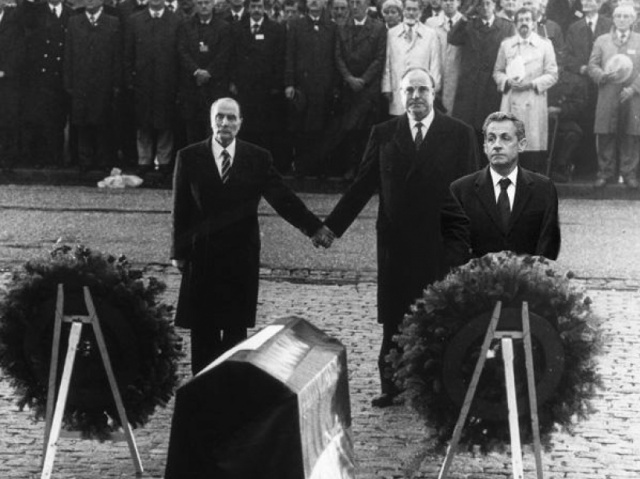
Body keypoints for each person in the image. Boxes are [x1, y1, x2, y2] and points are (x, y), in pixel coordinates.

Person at [316, 68, 477, 408]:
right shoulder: (384, 133)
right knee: (394, 315)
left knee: (441, 314)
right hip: (396, 242)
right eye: (409, 90)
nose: (416, 96)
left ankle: (441, 389)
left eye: (422, 89)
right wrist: (331, 227)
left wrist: (466, 243)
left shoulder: (459, 134)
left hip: (440, 242)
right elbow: (362, 185)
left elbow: (470, 194)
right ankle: (392, 385)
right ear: (400, 95)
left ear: (434, 92)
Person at [171, 98, 325, 375]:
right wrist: (177, 252)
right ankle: (203, 389)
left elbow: (283, 199)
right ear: (211, 120)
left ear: (240, 123)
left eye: (231, 118)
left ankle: (233, 388)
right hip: (202, 255)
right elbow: (180, 208)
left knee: (235, 331)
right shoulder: (189, 157)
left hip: (239, 254)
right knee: (203, 330)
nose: (225, 123)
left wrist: (314, 228)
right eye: (219, 117)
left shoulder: (257, 158)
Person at [450, 111, 561, 260]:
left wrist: (528, 271)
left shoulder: (543, 189)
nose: (497, 145)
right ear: (485, 147)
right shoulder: (461, 190)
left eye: (505, 138)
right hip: (477, 274)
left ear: (521, 145)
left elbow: (548, 244)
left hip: (529, 273)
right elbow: (456, 246)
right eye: (491, 139)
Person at [494, 7, 558, 172]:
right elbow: (497, 72)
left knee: (531, 149)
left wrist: (532, 84)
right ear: (515, 24)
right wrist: (507, 81)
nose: (524, 23)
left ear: (534, 23)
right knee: (510, 146)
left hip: (533, 103)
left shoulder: (544, 45)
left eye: (528, 20)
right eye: (521, 20)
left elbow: (552, 74)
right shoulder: (507, 45)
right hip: (511, 102)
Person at [124, 0, 182, 177]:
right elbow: (128, 53)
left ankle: (163, 161)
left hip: (167, 81)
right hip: (143, 81)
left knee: (165, 122)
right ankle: (144, 160)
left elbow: (180, 53)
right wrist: (129, 79)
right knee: (143, 122)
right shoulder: (135, 20)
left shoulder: (176, 20)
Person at [448, 0, 514, 153]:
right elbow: (452, 38)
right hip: (470, 87)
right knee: (468, 132)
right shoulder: (469, 24)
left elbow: (513, 55)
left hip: (492, 87)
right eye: (480, 4)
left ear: (495, 5)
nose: (484, 8)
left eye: (488, 3)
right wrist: (465, 17)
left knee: (491, 130)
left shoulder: (506, 26)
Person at [64, 0, 121, 173]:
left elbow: (117, 55)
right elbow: (68, 53)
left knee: (103, 121)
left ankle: (103, 161)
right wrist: (69, 81)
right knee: (82, 122)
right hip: (80, 81)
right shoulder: (74, 22)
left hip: (104, 82)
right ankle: (85, 161)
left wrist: (116, 82)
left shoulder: (113, 22)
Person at [229, 0, 287, 170]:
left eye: (259, 7)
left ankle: (264, 166)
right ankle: (245, 165)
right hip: (243, 89)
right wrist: (232, 81)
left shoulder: (276, 29)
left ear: (265, 8)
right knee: (245, 128)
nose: (256, 10)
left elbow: (280, 59)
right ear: (248, 8)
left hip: (266, 91)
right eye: (253, 7)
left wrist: (276, 85)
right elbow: (231, 57)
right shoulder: (237, 28)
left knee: (265, 129)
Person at [588, 3, 640, 188]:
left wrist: (633, 89)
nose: (622, 20)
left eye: (626, 16)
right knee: (605, 132)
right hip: (608, 93)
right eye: (618, 16)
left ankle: (629, 173)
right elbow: (592, 65)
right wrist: (602, 75)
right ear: (613, 18)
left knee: (631, 134)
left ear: (633, 19)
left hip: (632, 96)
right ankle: (605, 172)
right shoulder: (602, 41)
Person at [285, 0, 339, 177]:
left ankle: (320, 168)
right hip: (302, 86)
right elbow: (290, 55)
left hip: (324, 86)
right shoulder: (296, 25)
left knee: (322, 127)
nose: (314, 2)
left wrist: (335, 85)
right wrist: (289, 83)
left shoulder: (332, 27)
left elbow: (336, 57)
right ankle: (301, 167)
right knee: (301, 127)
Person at [334, 0, 387, 178]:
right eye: (352, 3)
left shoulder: (378, 27)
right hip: (348, 88)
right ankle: (350, 167)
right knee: (349, 130)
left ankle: (365, 170)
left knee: (367, 130)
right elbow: (338, 56)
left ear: (366, 5)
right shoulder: (342, 27)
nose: (355, 6)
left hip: (368, 89)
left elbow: (379, 58)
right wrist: (349, 78)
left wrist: (363, 80)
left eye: (359, 2)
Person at [18, 0, 72, 168]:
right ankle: (38, 160)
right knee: (38, 119)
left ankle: (56, 159)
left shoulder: (71, 14)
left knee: (58, 120)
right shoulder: (35, 11)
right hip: (38, 77)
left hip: (60, 77)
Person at [177, 0, 232, 144]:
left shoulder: (224, 27)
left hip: (215, 87)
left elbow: (224, 54)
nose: (203, 6)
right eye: (200, 3)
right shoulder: (185, 26)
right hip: (192, 86)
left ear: (213, 4)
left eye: (207, 2)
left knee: (214, 129)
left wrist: (209, 72)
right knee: (192, 131)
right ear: (195, 4)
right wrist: (196, 71)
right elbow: (182, 51)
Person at [382, 0, 442, 116]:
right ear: (403, 11)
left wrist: (434, 87)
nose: (411, 13)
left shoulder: (430, 34)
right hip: (398, 87)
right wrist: (387, 87)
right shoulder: (392, 33)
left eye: (414, 10)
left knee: (419, 117)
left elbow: (435, 64)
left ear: (420, 12)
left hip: (421, 87)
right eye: (408, 9)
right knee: (400, 119)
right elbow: (387, 63)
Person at [546, 67, 589, 182]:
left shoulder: (574, 80)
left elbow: (579, 105)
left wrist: (560, 110)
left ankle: (560, 167)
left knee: (574, 132)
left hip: (560, 119)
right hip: (535, 117)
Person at [426, 0, 463, 113]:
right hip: (436, 74)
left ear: (459, 2)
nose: (448, 3)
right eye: (445, 0)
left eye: (452, 0)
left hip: (458, 77)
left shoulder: (466, 22)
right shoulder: (431, 23)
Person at [0, 2, 24, 171]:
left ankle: (7, 159)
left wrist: (5, 70)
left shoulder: (14, 21)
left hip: (7, 80)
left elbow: (18, 49)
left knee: (8, 119)